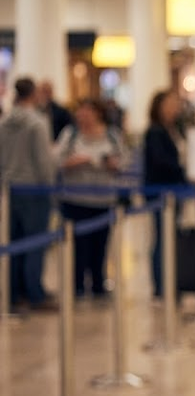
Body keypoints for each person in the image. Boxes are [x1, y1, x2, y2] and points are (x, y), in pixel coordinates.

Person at [54, 99, 128, 298]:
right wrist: (76, 161)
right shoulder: (70, 135)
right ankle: (77, 284)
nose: (84, 115)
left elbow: (123, 161)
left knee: (100, 245)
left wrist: (112, 163)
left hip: (103, 200)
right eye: (81, 111)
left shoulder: (112, 135)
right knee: (78, 246)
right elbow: (57, 160)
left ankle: (98, 283)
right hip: (75, 198)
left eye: (88, 111)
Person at [0, 77, 57, 312]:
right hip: (34, 189)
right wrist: (50, 188)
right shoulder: (37, 123)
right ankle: (34, 293)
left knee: (13, 242)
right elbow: (44, 162)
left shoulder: (5, 122)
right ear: (33, 94)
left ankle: (13, 292)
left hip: (10, 190)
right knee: (35, 243)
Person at [143, 90, 188, 298]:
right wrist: (183, 169)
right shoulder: (155, 132)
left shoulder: (175, 129)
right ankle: (160, 285)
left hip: (174, 190)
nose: (174, 108)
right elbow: (160, 162)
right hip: (161, 191)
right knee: (162, 238)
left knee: (170, 237)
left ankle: (170, 281)